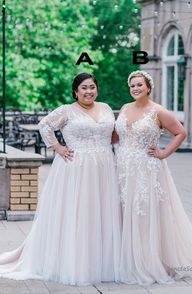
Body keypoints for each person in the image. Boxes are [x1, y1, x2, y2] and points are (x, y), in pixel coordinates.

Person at [114, 70, 192, 285]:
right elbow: (117, 135)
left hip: (147, 169)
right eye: (132, 85)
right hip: (123, 168)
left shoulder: (158, 111)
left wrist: (164, 153)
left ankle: (150, 260)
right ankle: (129, 256)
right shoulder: (124, 109)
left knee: (145, 212)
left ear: (148, 88)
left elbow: (181, 132)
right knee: (126, 210)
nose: (135, 89)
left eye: (139, 85)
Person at [0, 73, 121, 286]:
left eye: (92, 87)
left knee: (102, 211)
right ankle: (75, 261)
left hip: (105, 166)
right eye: (84, 87)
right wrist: (57, 147)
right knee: (78, 212)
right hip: (76, 167)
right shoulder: (66, 110)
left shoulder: (106, 108)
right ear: (75, 91)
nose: (89, 91)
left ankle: (103, 261)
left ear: (97, 89)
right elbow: (44, 125)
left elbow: (114, 135)